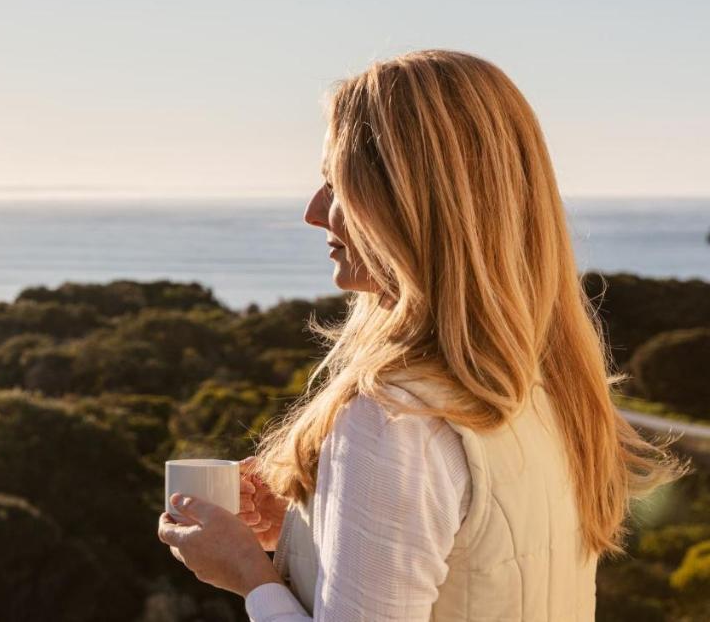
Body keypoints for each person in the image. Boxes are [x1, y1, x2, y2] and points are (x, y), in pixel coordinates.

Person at [156, 50, 689, 621]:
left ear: (409, 204)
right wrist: (305, 533)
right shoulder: (549, 392)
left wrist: (248, 576)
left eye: (338, 185)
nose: (314, 213)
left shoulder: (395, 419)